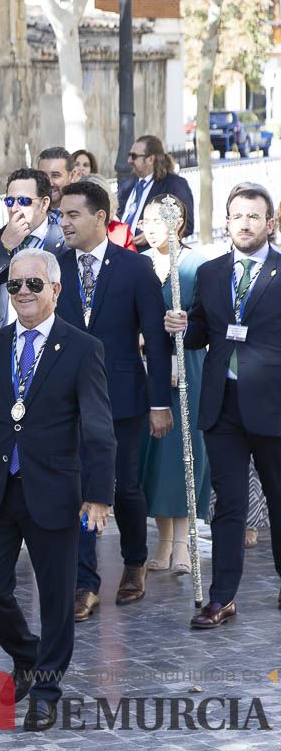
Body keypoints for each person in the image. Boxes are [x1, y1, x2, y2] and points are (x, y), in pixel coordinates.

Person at [0, 248, 116, 731]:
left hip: (55, 491)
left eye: (34, 284)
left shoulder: (81, 348)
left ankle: (47, 688)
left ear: (55, 289)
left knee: (56, 598)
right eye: (15, 285)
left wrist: (98, 494)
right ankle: (28, 654)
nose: (24, 293)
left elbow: (98, 428)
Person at [55, 180, 173, 621]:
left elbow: (156, 342)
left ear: (100, 217)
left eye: (72, 215)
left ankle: (135, 560)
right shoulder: (54, 268)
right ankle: (85, 582)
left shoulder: (135, 268)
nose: (63, 223)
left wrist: (159, 401)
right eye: (61, 215)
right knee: (82, 487)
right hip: (67, 402)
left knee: (123, 484)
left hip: (122, 397)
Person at [165, 183, 281, 629]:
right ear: (227, 222)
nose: (245, 224)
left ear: (269, 224)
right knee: (228, 505)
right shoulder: (211, 273)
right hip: (223, 406)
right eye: (238, 216)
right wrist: (179, 325)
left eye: (254, 216)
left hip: (273, 408)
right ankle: (222, 598)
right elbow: (201, 332)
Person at [136, 196, 212, 574]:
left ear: (178, 221)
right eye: (146, 219)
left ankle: (183, 541)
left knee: (185, 449)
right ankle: (162, 538)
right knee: (153, 453)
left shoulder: (197, 265)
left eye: (159, 219)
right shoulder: (136, 264)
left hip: (187, 366)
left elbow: (207, 318)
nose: (151, 227)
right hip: (147, 367)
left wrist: (186, 326)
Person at [0, 168, 66, 338]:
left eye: (23, 201)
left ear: (44, 204)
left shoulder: (65, 241)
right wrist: (4, 246)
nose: (14, 208)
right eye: (9, 201)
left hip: (51, 340)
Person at [118, 135, 195, 247]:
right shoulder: (128, 186)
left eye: (134, 156)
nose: (129, 160)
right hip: (122, 253)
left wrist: (155, 234)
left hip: (152, 255)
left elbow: (187, 224)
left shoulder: (174, 184)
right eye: (129, 155)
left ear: (150, 159)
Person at [37, 146, 71, 223]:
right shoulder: (28, 215)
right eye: (43, 175)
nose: (49, 182)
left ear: (71, 176)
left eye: (55, 175)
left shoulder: (82, 216)